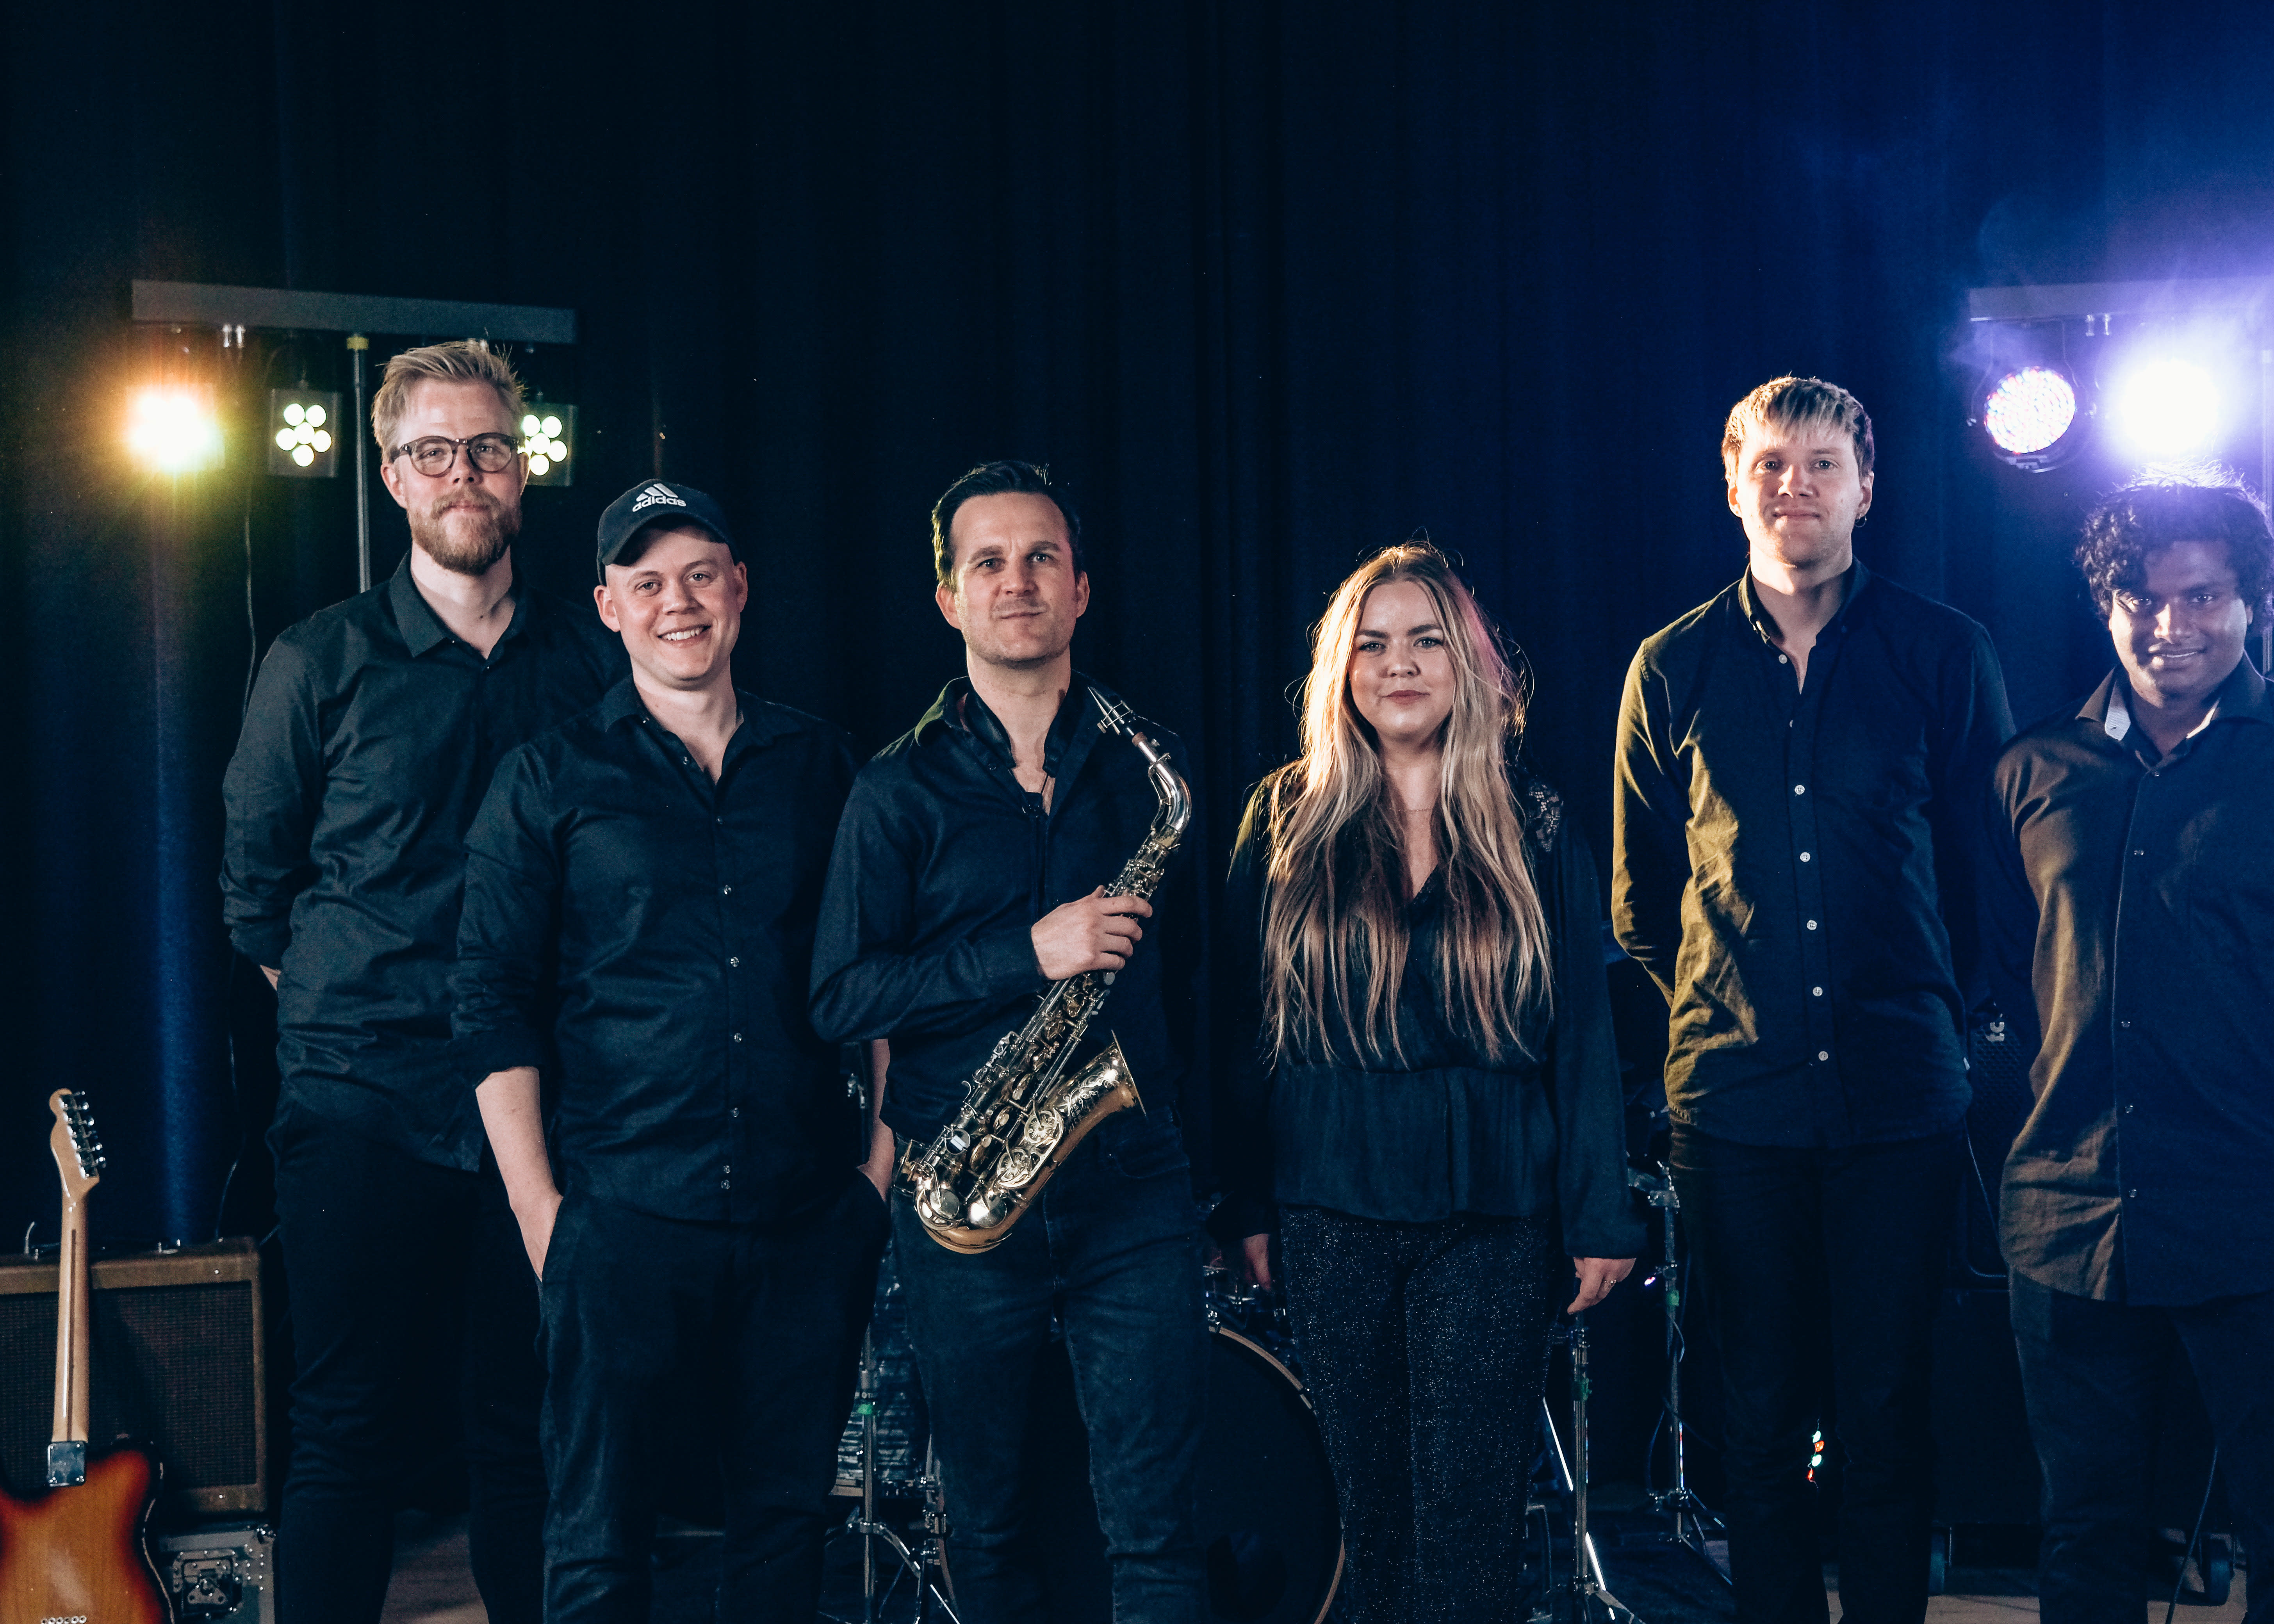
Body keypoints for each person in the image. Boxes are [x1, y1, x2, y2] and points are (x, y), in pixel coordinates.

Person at [219, 341, 620, 1623]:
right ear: (393, 476)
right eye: (434, 452)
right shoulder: (316, 661)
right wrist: (366, 1015)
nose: (465, 474)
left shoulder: (592, 663)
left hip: (544, 1111)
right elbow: (257, 898)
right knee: (345, 1436)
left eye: (488, 448)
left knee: (527, 1432)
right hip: (363, 1106)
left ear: (522, 469)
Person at [1612, 376, 2013, 1623]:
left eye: (1823, 464)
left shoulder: (1944, 652)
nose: (1797, 487)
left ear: (1866, 489)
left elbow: (1989, 872)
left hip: (1901, 1098)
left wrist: (1938, 1013)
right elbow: (1643, 901)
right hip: (1735, 1107)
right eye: (1772, 466)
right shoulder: (1671, 665)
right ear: (1733, 489)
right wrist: (1741, 1006)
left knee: (1889, 1410)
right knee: (1758, 1420)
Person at [454, 480, 886, 1620]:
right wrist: (544, 1218)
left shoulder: (825, 766)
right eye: (646, 583)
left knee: (785, 1534)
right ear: (608, 608)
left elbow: (879, 976)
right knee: (599, 1547)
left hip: (804, 1219)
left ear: (740, 589)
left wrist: (875, 1179)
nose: (677, 603)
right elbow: (490, 1003)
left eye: (699, 575)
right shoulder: (546, 778)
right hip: (622, 1220)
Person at [809, 460, 1210, 1624]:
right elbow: (841, 995)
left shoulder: (1151, 769)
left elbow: (1200, 979)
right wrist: (1026, 954)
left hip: (1132, 1188)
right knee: (987, 1526)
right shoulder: (896, 790)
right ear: (949, 598)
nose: (1017, 581)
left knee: (1160, 1526)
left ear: (1081, 588)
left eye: (1042, 558)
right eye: (988, 562)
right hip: (966, 1193)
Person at [1215, 542, 1641, 1624]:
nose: (1398, 665)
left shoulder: (1535, 820)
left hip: (1495, 1212)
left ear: (1468, 665)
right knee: (1372, 1523)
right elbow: (1241, 1031)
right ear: (1342, 670)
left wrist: (1601, 1213)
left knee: (1469, 1523)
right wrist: (1246, 1206)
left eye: (1425, 641)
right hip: (1329, 1202)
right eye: (1372, 644)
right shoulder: (1284, 816)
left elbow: (1584, 1036)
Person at [1978, 477, 2274, 1624]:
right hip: (2070, 1213)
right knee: (2086, 1538)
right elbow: (2010, 978)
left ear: (2250, 605)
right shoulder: (2032, 769)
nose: (2170, 624)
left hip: (2251, 1212)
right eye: (2141, 599)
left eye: (2202, 596)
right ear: (2106, 606)